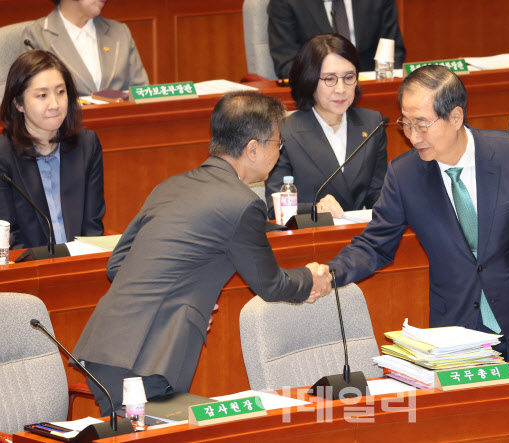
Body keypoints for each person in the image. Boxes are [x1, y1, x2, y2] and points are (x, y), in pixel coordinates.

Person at [73, 91, 332, 416]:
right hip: (145, 358)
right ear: (253, 148)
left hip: (105, 349)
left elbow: (117, 265)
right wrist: (311, 279)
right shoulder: (242, 203)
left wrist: (185, 302)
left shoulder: (171, 185)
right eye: (278, 144)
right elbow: (271, 284)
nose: (280, 152)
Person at [318, 65, 509, 362]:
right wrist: (329, 274)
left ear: (456, 117)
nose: (412, 136)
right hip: (455, 335)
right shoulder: (404, 174)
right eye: (406, 124)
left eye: (422, 124)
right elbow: (375, 244)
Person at [266, 34, 387, 220]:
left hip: (360, 235)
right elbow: (274, 209)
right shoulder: (285, 131)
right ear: (309, 80)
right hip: (311, 237)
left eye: (349, 77)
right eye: (329, 79)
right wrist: (315, 208)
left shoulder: (372, 123)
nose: (341, 88)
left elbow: (376, 192)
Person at [0, 50, 105, 250]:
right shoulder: (3, 154)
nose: (55, 105)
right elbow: (8, 238)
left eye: (60, 92)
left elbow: (93, 229)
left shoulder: (87, 145)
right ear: (19, 103)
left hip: (78, 268)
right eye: (42, 95)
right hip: (28, 272)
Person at [23, 0, 149, 96]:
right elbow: (35, 98)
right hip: (65, 128)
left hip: (121, 127)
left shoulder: (120, 32)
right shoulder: (36, 37)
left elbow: (141, 92)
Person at [267, 0, 406, 79]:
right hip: (317, 93)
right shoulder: (285, 2)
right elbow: (286, 63)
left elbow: (394, 50)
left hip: (370, 87)